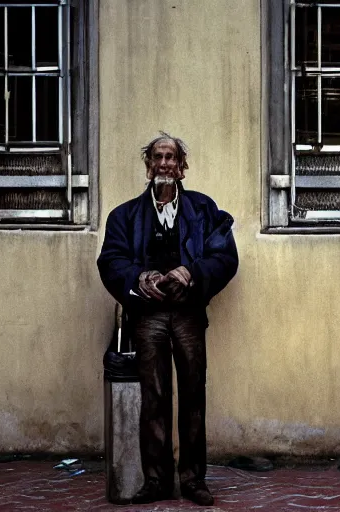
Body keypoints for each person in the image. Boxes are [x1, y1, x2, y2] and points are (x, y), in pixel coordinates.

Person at [97, 132, 238, 506]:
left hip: (188, 313)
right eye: (157, 157)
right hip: (147, 316)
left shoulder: (204, 209)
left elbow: (224, 256)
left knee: (193, 396)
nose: (164, 164)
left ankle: (193, 480)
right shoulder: (124, 215)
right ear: (148, 167)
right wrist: (137, 278)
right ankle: (157, 481)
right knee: (153, 398)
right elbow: (110, 260)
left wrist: (191, 273)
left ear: (182, 167)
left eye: (171, 157)